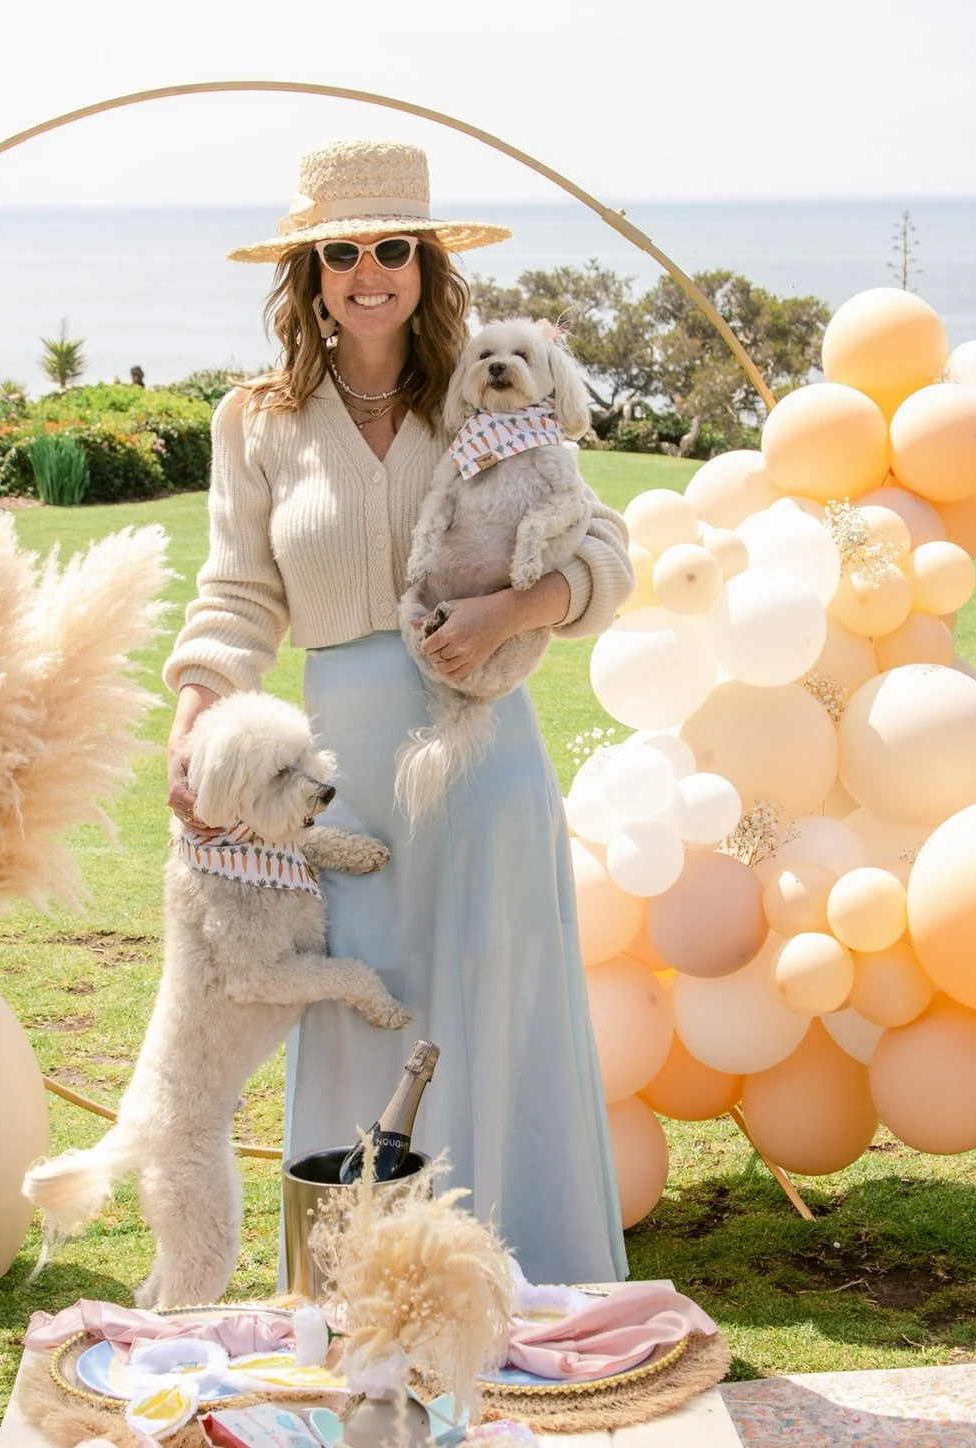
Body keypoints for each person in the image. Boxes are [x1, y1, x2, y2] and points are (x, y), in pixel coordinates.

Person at [160, 140, 633, 1286]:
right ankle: (364, 1289)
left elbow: (603, 547)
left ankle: (523, 1274)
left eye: (390, 248)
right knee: (364, 1011)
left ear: (422, 264)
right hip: (342, 774)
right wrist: (193, 715)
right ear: (311, 272)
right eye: (342, 252)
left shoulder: (480, 392)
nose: (368, 271)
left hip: (486, 760)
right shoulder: (257, 419)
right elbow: (236, 593)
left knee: (495, 1000)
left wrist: (511, 608)